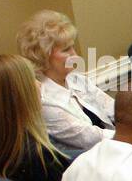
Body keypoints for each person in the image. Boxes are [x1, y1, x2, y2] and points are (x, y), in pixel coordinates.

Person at [17, 10, 116, 156]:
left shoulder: (76, 79)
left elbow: (115, 109)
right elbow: (89, 138)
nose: (75, 55)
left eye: (72, 46)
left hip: (116, 149)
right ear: (44, 55)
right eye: (66, 50)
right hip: (92, 164)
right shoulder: (44, 100)